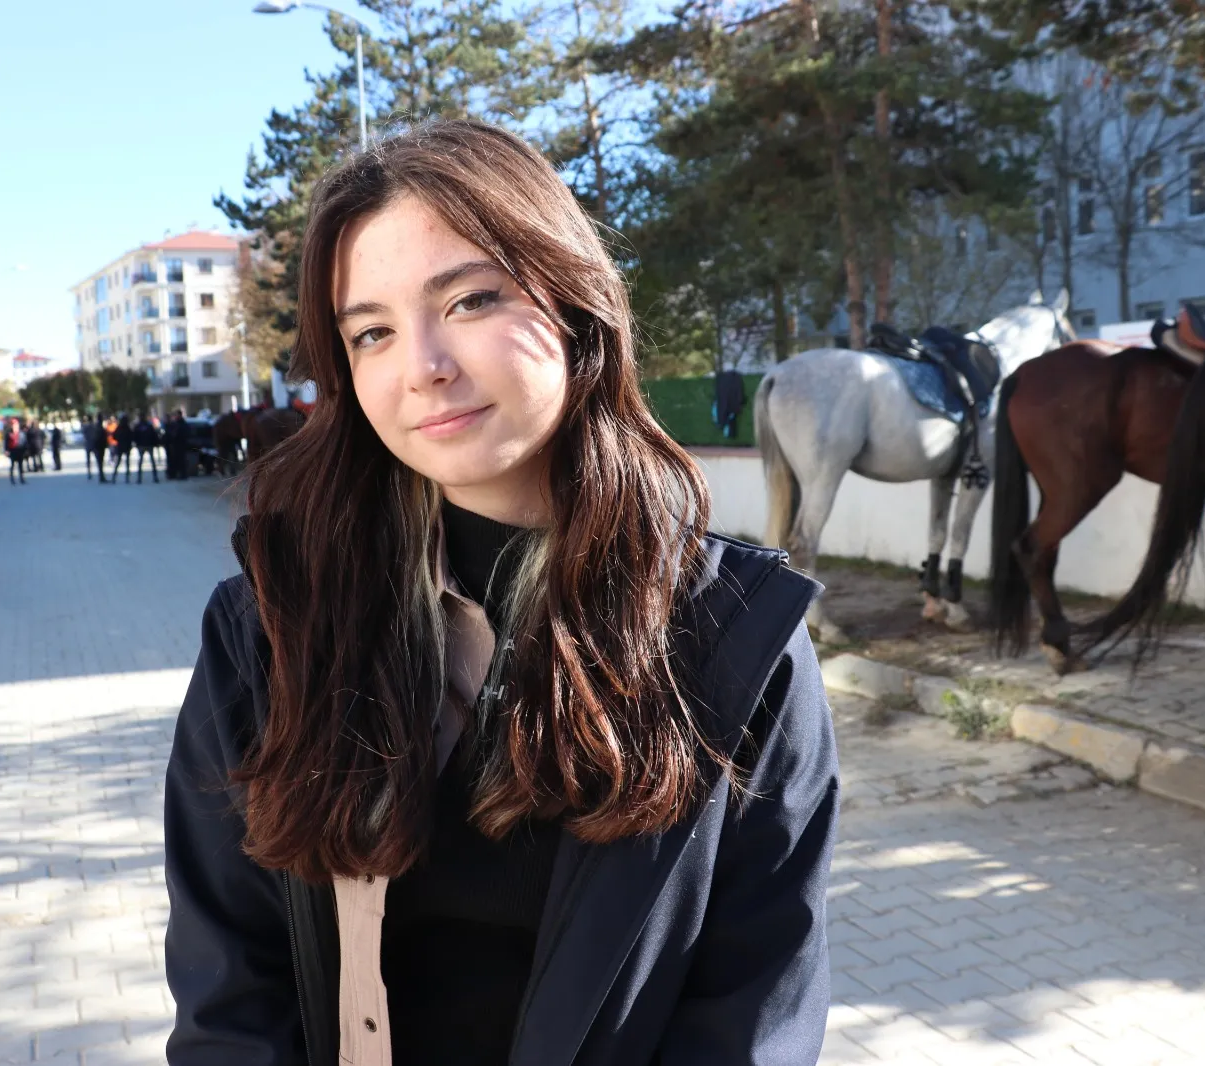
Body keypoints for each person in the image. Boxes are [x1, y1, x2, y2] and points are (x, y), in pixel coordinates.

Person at [162, 121, 837, 1066]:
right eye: (372, 332)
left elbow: (754, 1009)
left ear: (573, 303)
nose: (423, 364)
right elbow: (229, 993)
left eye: (472, 299)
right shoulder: (271, 626)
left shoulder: (733, 639)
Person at [134, 413, 160, 484]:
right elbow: (154, 435)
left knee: (140, 462)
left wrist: (137, 444)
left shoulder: (138, 426)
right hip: (149, 445)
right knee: (152, 461)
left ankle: (139, 478)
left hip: (142, 445)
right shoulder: (149, 426)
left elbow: (135, 436)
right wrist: (156, 443)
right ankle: (155, 477)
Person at [109, 413, 134, 483]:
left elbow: (114, 436)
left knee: (118, 462)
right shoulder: (127, 428)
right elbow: (132, 436)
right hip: (126, 446)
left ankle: (114, 477)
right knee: (127, 462)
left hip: (120, 446)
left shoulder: (119, 428)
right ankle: (127, 478)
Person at [164, 408, 188, 481]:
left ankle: (182, 474)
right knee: (174, 460)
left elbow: (183, 433)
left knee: (181, 460)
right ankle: (174, 474)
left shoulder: (182, 424)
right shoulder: (174, 424)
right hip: (174, 445)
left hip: (180, 444)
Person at [4, 419, 27, 485]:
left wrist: (25, 450)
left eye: (15, 425)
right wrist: (6, 450)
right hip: (12, 451)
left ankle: (22, 478)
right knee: (12, 465)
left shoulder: (21, 433)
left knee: (21, 465)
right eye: (13, 425)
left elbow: (24, 442)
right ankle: (12, 479)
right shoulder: (9, 434)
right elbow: (6, 443)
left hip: (20, 450)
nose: (14, 426)